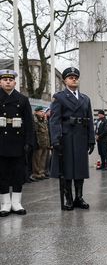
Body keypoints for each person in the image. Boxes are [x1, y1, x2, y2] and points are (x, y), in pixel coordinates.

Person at [49, 67, 95, 211]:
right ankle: (68, 198)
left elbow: (90, 120)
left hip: (81, 136)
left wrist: (91, 139)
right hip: (66, 137)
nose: (74, 79)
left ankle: (79, 197)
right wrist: (55, 139)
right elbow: (54, 120)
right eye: (70, 77)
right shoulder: (59, 97)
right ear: (65, 81)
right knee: (67, 169)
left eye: (76, 77)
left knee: (80, 169)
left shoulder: (85, 98)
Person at [0, 69, 33, 216]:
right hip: (1, 142)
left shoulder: (22, 99)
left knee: (19, 173)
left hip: (18, 142)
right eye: (5, 79)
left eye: (10, 79)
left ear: (15, 82)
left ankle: (16, 202)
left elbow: (29, 123)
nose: (8, 82)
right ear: (0, 82)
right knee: (3, 173)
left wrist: (29, 142)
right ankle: (5, 203)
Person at [31, 106, 50, 180]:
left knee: (43, 159)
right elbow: (34, 133)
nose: (43, 113)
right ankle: (36, 173)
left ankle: (42, 172)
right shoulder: (35, 121)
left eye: (43, 111)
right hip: (38, 143)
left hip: (44, 143)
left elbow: (46, 132)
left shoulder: (43, 120)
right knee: (37, 159)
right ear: (36, 112)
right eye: (41, 111)